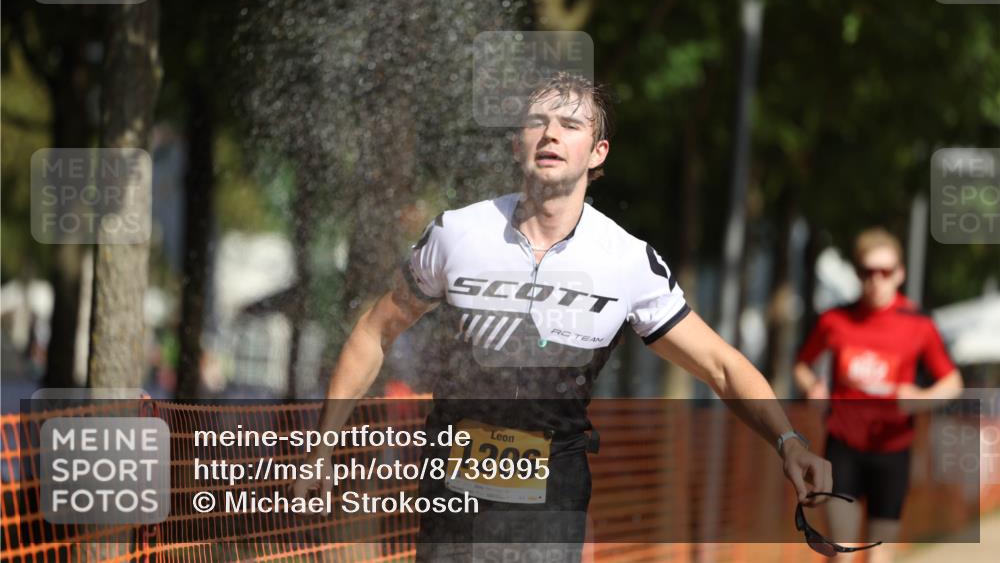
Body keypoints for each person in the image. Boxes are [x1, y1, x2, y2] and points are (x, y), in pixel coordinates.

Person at [295, 72, 832, 561]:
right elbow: (374, 331)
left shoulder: (627, 261)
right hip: (452, 494)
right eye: (538, 122)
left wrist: (789, 441)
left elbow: (721, 365)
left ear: (597, 153)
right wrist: (321, 445)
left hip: (553, 497)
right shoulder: (456, 233)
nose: (551, 134)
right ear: (517, 143)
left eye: (570, 125)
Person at [793, 227, 963, 563]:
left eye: (885, 272)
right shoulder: (835, 320)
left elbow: (953, 382)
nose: (876, 280)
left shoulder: (919, 324)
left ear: (900, 274)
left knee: (879, 557)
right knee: (840, 552)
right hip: (843, 446)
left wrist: (921, 398)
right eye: (868, 272)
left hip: (893, 451)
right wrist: (812, 385)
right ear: (857, 273)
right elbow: (802, 364)